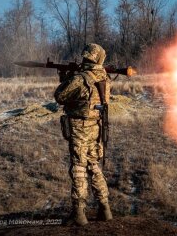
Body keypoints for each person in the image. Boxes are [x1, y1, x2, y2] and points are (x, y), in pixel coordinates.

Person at [54, 43, 113, 226]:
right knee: (94, 165)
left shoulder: (80, 78)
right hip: (96, 126)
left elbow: (60, 96)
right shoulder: (104, 77)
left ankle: (79, 213)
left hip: (80, 127)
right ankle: (105, 209)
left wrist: (66, 78)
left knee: (79, 167)